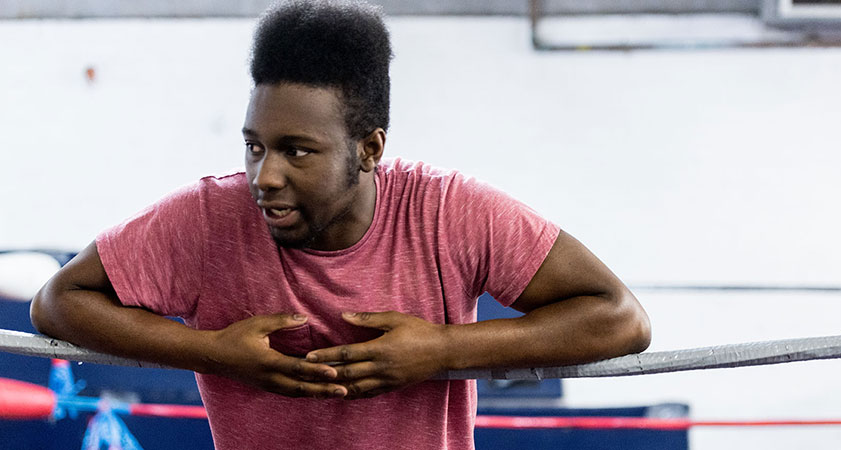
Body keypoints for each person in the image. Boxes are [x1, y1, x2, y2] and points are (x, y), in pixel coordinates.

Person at [30, 1, 651, 449]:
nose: (264, 176)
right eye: (254, 146)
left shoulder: (447, 211)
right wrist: (211, 353)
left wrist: (442, 349)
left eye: (297, 151)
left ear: (369, 149)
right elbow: (58, 302)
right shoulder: (207, 218)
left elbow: (620, 318)